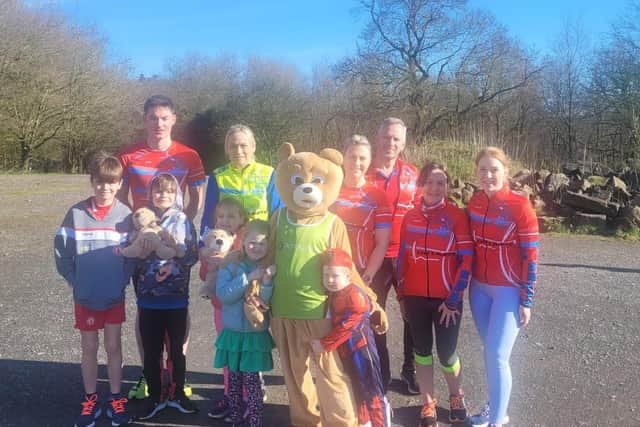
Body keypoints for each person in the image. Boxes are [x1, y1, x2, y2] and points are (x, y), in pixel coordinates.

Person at [118, 95, 205, 400]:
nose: (158, 123)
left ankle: (176, 373)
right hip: (144, 248)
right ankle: (148, 373)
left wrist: (179, 228)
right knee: (146, 309)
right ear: (145, 119)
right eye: (153, 117)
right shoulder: (128, 155)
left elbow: (196, 199)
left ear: (173, 119)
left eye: (164, 117)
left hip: (174, 246)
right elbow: (121, 197)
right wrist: (139, 229)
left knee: (180, 308)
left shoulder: (189, 155)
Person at [54, 152, 133, 427]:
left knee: (113, 347)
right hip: (85, 297)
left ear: (120, 184)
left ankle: (115, 398)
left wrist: (121, 281)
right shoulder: (76, 213)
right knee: (89, 348)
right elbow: (61, 252)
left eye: (111, 183)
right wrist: (75, 280)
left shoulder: (126, 216)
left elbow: (132, 256)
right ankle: (90, 399)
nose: (105, 188)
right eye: (99, 182)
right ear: (92, 181)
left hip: (113, 297)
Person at [397, 161, 473, 427]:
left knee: (447, 353)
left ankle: (456, 396)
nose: (434, 187)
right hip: (416, 297)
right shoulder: (410, 216)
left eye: (440, 182)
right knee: (421, 351)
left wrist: (454, 298)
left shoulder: (456, 216)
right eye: (429, 181)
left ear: (447, 186)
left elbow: (467, 259)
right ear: (421, 185)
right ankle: (427, 401)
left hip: (446, 300)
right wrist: (402, 296)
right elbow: (402, 259)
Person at [467, 147, 539, 427]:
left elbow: (531, 255)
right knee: (491, 353)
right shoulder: (473, 203)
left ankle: (497, 421)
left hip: (508, 291)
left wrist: (527, 298)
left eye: (494, 169)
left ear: (505, 172)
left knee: (498, 355)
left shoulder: (520, 206)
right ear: (476, 172)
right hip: (479, 290)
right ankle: (496, 407)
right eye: (483, 170)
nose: (488, 175)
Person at [134, 173, 199, 420]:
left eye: (169, 191)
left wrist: (176, 258)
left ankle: (178, 393)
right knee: (151, 351)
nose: (163, 196)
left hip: (176, 299)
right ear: (151, 194)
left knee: (176, 351)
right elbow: (133, 253)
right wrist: (141, 253)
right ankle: (155, 396)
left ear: (177, 195)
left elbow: (192, 256)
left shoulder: (183, 221)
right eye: (158, 191)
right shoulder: (141, 220)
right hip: (149, 299)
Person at [366, 117, 421, 394]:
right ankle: (381, 369)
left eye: (396, 139)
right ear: (378, 137)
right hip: (374, 255)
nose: (390, 143)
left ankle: (409, 369)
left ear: (403, 143)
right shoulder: (363, 170)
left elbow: (424, 212)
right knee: (374, 313)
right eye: (386, 137)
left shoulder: (412, 173)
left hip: (405, 255)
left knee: (411, 313)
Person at [311, 249, 391, 427]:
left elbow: (347, 326)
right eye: (326, 275)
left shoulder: (355, 296)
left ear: (348, 276)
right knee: (357, 389)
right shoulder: (333, 293)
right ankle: (365, 422)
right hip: (346, 350)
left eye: (335, 275)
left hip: (362, 350)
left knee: (372, 393)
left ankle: (381, 423)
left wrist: (325, 344)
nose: (330, 280)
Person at [214, 220, 276, 427]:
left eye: (262, 243)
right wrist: (247, 278)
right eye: (252, 242)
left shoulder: (267, 267)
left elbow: (265, 304)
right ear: (242, 242)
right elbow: (224, 295)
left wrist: (266, 283)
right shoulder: (231, 264)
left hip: (254, 335)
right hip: (233, 334)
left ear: (269, 246)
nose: (256, 248)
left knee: (252, 381)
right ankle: (236, 419)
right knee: (234, 381)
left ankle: (256, 420)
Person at [200, 198, 249, 421]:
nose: (225, 221)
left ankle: (248, 397)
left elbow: (251, 270)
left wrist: (227, 262)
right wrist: (209, 264)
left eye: (231, 216)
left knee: (245, 353)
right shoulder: (213, 241)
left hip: (242, 309)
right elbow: (203, 276)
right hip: (220, 307)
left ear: (241, 220)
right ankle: (231, 395)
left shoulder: (246, 242)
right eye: (221, 216)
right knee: (228, 352)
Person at [330, 134, 391, 285]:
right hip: (331, 270)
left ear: (370, 161)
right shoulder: (330, 190)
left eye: (362, 158)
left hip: (362, 272)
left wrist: (367, 276)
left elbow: (382, 243)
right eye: (352, 157)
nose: (357, 163)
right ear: (343, 159)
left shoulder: (378, 196)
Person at [200, 124, 281, 236]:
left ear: (253, 147)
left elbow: (277, 213)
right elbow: (209, 214)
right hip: (227, 242)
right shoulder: (217, 175)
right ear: (227, 149)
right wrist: (204, 243)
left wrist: (274, 243)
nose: (238, 151)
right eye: (233, 146)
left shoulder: (269, 173)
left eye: (244, 145)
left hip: (259, 242)